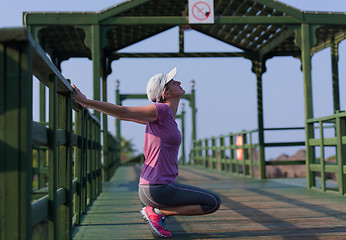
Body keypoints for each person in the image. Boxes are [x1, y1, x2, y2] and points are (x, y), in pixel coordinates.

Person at [72, 67, 221, 238]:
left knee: (211, 201)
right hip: (157, 188)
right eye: (173, 82)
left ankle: (157, 211)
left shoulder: (165, 118)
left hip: (151, 188)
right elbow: (123, 112)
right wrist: (85, 102)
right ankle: (158, 212)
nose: (179, 82)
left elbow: (124, 116)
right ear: (166, 93)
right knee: (213, 202)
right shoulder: (161, 110)